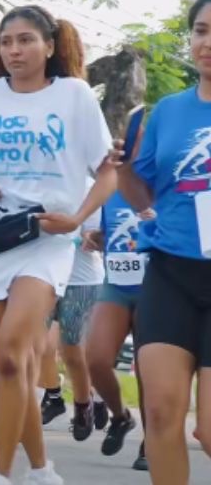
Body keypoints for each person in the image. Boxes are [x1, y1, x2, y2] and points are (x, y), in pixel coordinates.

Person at [0, 4, 116, 485]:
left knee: (11, 355)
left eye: (26, 40)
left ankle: (0, 470)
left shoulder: (74, 96)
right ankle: (40, 468)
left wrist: (76, 218)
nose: (14, 50)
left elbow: (108, 170)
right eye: (7, 41)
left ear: (49, 47)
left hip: (49, 240)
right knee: (15, 365)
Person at [112, 0, 211, 485]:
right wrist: (121, 167)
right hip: (170, 268)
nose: (207, 42)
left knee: (210, 432)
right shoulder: (168, 111)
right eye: (201, 30)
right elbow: (139, 190)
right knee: (162, 413)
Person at [84, 192, 150, 471]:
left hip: (157, 287)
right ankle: (121, 416)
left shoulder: (165, 185)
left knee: (149, 369)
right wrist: (98, 239)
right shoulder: (108, 193)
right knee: (96, 360)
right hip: (117, 286)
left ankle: (152, 442)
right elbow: (105, 234)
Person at [39, 199, 108, 442]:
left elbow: (95, 237)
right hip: (43, 277)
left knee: (72, 350)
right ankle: (54, 397)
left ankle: (84, 403)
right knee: (40, 346)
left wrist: (87, 236)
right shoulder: (37, 181)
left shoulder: (90, 189)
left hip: (81, 280)